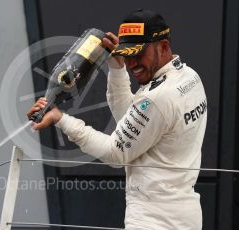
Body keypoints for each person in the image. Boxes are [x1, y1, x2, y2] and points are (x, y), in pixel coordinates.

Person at [27, 9, 207, 230]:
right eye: (127, 55)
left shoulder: (157, 98)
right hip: (186, 217)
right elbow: (131, 122)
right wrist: (116, 66)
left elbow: (116, 153)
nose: (132, 64)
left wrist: (61, 119)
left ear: (163, 47)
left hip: (152, 221)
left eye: (138, 54)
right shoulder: (190, 77)